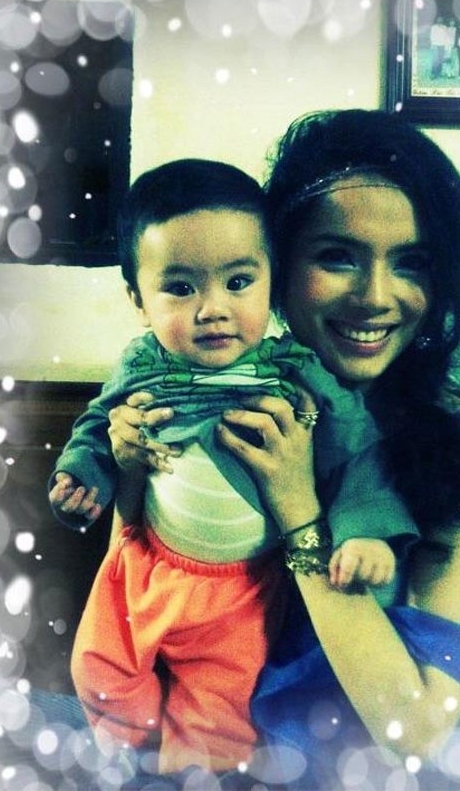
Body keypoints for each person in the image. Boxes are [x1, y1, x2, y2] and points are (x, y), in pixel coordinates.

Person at [48, 158, 419, 776]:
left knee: (218, 717)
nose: (213, 309)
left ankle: (185, 769)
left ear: (273, 281)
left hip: (242, 592)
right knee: (97, 667)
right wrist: (81, 474)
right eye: (180, 288)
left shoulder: (292, 373)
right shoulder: (143, 366)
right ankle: (129, 755)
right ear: (139, 300)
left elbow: (359, 451)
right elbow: (98, 424)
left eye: (239, 282)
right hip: (142, 566)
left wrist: (365, 534)